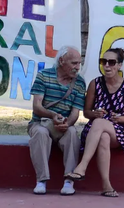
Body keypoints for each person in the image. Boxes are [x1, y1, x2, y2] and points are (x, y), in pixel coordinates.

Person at [65, 48, 124, 197]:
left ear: (119, 65)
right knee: (101, 133)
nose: (107, 66)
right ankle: (107, 186)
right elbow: (86, 113)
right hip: (94, 131)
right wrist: (95, 113)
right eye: (103, 62)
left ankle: (82, 167)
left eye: (111, 62)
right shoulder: (95, 84)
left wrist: (119, 118)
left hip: (118, 130)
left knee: (100, 124)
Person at [28, 46, 86, 196]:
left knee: (73, 133)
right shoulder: (43, 76)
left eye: (79, 63)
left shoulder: (80, 83)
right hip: (41, 122)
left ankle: (69, 180)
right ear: (61, 61)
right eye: (74, 63)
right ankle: (41, 180)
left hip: (63, 125)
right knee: (40, 133)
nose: (77, 67)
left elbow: (75, 113)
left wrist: (68, 124)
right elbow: (37, 107)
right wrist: (52, 115)